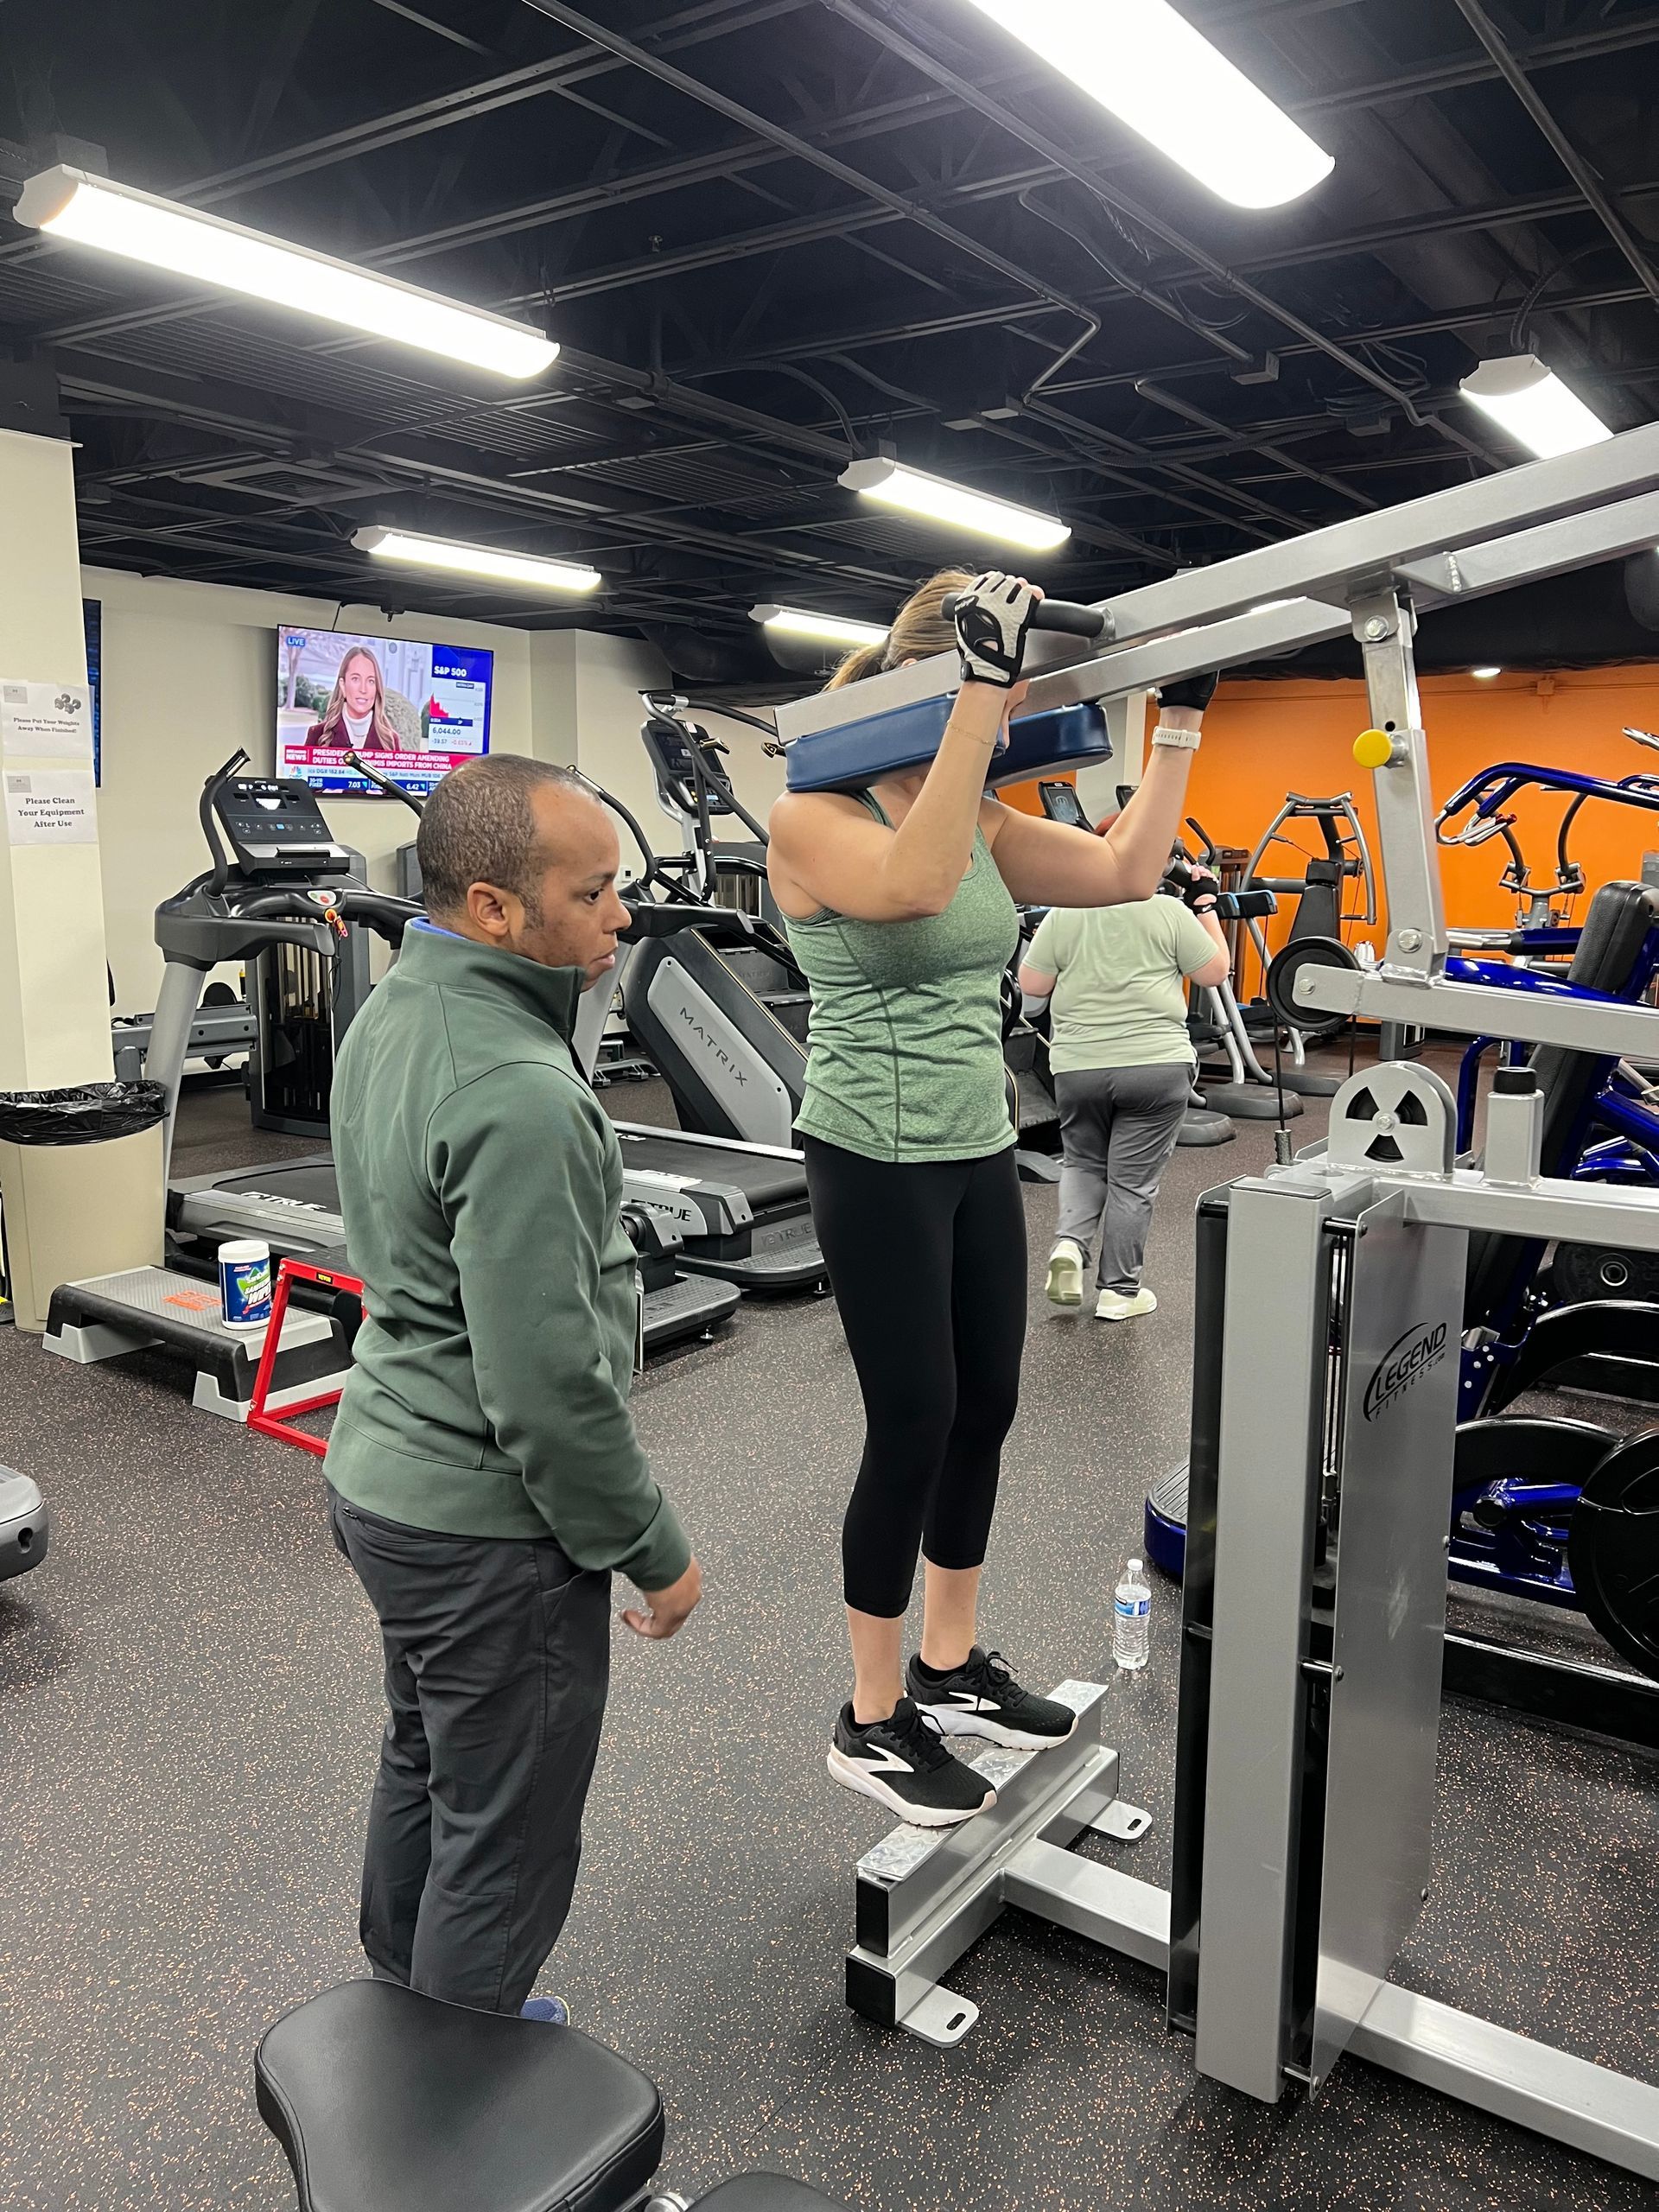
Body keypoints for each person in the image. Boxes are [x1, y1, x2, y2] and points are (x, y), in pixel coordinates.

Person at [767, 569, 1216, 1827]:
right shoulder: (814, 814)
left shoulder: (982, 811)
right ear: (949, 681)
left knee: (988, 1406)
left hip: (972, 1148)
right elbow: (909, 887)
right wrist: (975, 692)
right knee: (912, 1420)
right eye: (1005, 692)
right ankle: (868, 1719)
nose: (1014, 720)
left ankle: (950, 1666)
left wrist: (1179, 721)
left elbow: (1129, 869)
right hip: (868, 1151)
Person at [322, 754, 702, 2022]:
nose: (621, 918)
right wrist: (652, 1549)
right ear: (492, 908)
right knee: (511, 1830)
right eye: (594, 895)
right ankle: (458, 2095)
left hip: (383, 1482)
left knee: (430, 1756)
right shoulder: (523, 1093)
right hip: (485, 1529)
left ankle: (406, 2003)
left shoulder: (396, 1006)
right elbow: (545, 1390)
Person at [1019, 843, 1232, 1321]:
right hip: (1154, 1067)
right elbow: (1215, 971)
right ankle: (1119, 1291)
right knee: (1132, 1184)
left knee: (1083, 1163)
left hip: (1078, 1068)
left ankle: (1070, 1246)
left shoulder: (1065, 914)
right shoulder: (1168, 911)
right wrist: (1205, 905)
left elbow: (1031, 986)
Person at [304, 643, 403, 752]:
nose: (363, 689)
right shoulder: (317, 735)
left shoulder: (391, 741)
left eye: (371, 681)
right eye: (355, 679)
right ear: (343, 685)